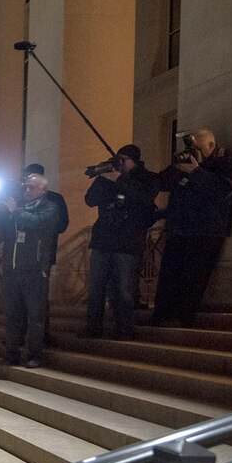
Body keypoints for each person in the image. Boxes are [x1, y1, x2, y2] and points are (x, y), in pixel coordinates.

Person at [152, 128, 232, 327]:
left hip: (206, 230)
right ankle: (161, 315)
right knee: (169, 274)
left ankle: (184, 318)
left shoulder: (226, 160)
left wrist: (196, 172)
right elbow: (162, 182)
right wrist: (177, 166)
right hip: (180, 228)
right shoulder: (187, 161)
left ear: (210, 145)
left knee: (194, 277)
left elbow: (224, 189)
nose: (195, 152)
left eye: (198, 148)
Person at [82, 144, 160, 339]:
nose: (119, 164)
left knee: (124, 288)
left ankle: (124, 329)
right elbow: (90, 200)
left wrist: (121, 180)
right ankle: (93, 328)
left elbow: (145, 198)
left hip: (128, 241)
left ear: (134, 161)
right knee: (96, 287)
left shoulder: (147, 178)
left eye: (123, 160)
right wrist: (102, 177)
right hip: (103, 240)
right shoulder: (109, 178)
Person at [0, 174, 60, 368]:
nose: (27, 190)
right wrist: (2, 211)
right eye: (26, 187)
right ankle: (11, 355)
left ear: (43, 190)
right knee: (12, 316)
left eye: (31, 187)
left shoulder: (50, 207)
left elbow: (35, 223)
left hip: (34, 270)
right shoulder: (16, 209)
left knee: (35, 316)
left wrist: (15, 211)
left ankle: (34, 355)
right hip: (12, 271)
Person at [23, 163, 69, 344]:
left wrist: (41, 227)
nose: (27, 184)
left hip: (42, 253)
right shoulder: (22, 198)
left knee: (39, 296)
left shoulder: (54, 200)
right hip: (19, 255)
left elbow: (62, 224)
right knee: (19, 298)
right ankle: (19, 334)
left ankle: (41, 335)